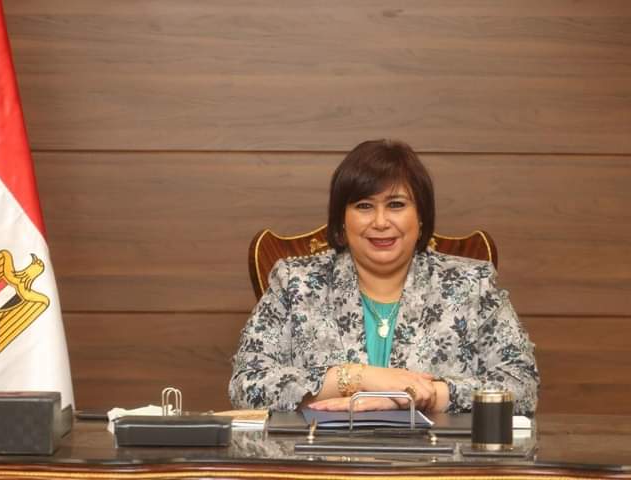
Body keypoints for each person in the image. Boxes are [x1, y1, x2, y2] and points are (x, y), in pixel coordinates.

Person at [229, 140, 539, 414]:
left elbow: (521, 385)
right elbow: (246, 385)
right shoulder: (294, 283)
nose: (380, 222)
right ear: (341, 220)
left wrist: (416, 396)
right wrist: (358, 378)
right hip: (322, 456)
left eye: (396, 205)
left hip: (435, 458)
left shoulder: (471, 284)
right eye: (364, 206)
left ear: (421, 216)